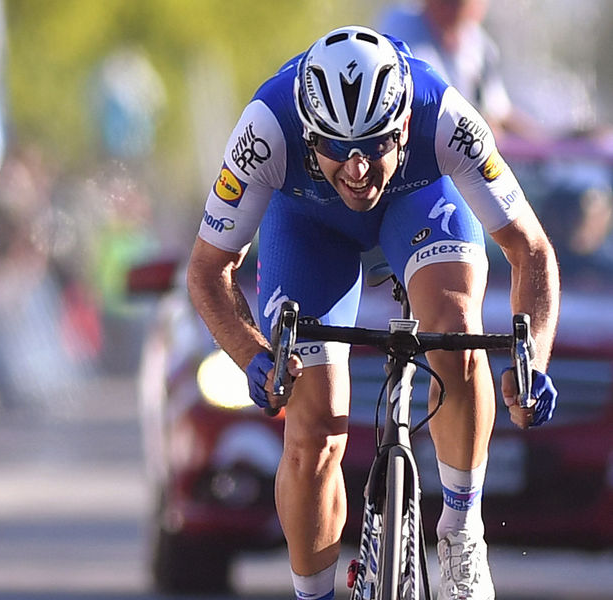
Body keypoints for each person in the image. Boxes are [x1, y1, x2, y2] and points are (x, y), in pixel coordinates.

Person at [186, 26, 559, 600]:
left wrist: (534, 355)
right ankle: (315, 594)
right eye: (336, 148)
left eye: (374, 145)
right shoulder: (265, 129)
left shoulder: (446, 116)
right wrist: (252, 356)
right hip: (310, 225)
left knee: (455, 328)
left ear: (405, 124)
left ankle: (461, 536)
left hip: (419, 200)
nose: (356, 170)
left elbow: (530, 249)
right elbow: (208, 270)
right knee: (314, 430)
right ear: (308, 134)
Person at [377, 0, 539, 139]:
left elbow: (500, 112)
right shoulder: (401, 26)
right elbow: (423, 101)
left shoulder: (479, 44)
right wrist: (481, 129)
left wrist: (545, 142)